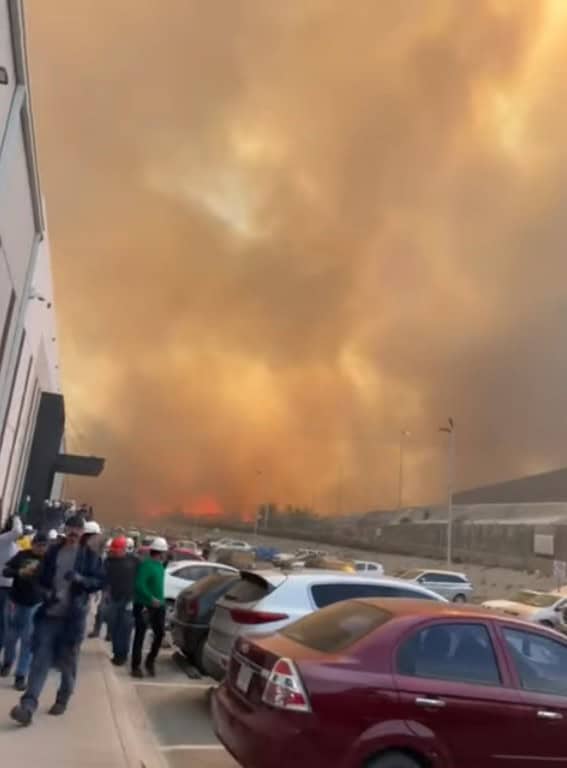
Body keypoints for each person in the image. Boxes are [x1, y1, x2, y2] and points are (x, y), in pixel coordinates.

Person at [10, 515, 103, 726]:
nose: (72, 533)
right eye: (70, 529)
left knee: (67, 663)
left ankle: (63, 698)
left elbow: (99, 581)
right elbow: (40, 579)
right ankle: (28, 706)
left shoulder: (89, 556)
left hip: (73, 618)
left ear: (82, 533)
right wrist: (45, 593)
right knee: (40, 661)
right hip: (49, 615)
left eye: (76, 530)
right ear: (65, 529)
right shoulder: (53, 552)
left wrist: (80, 579)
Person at [1, 532, 49, 690]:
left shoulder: (48, 561)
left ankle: (21, 675)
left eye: (44, 546)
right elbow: (6, 570)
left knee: (28, 640)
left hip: (35, 603)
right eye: (38, 545)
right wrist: (19, 572)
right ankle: (7, 663)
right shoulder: (22, 555)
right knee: (11, 636)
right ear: (33, 544)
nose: (41, 548)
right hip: (16, 600)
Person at [131, 536, 167, 679]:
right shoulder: (146, 565)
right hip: (144, 605)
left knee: (159, 634)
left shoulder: (160, 566)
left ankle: (150, 661)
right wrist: (150, 598)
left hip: (159, 606)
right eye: (165, 552)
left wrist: (159, 601)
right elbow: (139, 585)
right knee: (140, 635)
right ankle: (136, 666)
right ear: (161, 552)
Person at [104, 536, 138, 666]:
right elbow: (104, 578)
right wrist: (105, 593)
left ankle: (122, 655)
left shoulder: (134, 561)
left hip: (128, 600)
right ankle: (117, 653)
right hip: (114, 599)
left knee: (125, 629)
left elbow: (141, 577)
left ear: (124, 549)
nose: (114, 552)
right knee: (113, 628)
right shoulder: (108, 561)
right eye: (113, 550)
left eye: (117, 550)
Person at [0, 516, 23, 657]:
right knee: (3, 622)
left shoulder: (13, 546)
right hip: (2, 587)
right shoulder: (4, 541)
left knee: (4, 621)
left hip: (9, 588)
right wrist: (16, 518)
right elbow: (17, 531)